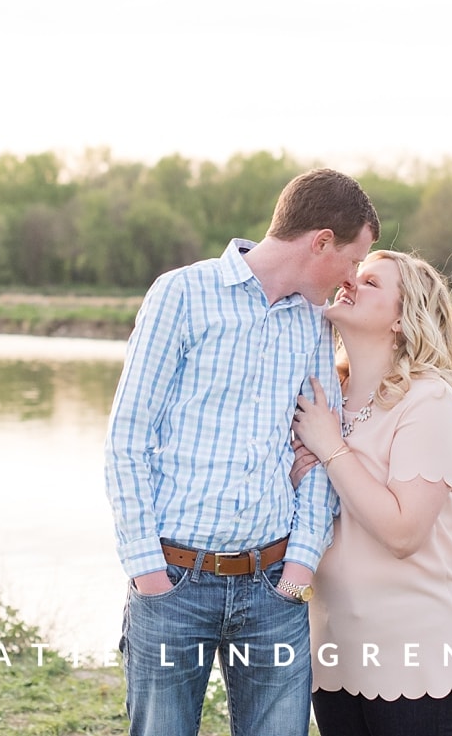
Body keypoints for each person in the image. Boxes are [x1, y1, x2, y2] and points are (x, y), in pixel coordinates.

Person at [104, 168, 380, 736]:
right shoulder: (182, 293)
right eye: (353, 261)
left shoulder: (311, 324)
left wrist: (300, 566)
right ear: (320, 241)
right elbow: (128, 437)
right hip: (173, 581)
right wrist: (146, 569)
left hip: (273, 588)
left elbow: (321, 443)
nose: (352, 279)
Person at [290, 250, 452, 736]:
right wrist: (294, 475)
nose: (349, 283)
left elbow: (403, 532)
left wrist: (331, 448)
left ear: (402, 318)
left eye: (371, 283)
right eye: (354, 276)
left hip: (417, 655)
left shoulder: (429, 400)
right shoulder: (324, 397)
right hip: (334, 648)